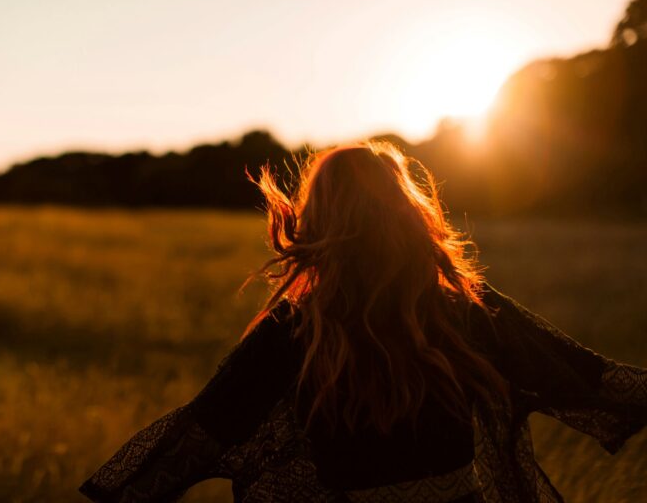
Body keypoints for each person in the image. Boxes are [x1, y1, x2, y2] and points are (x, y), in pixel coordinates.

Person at [79, 142, 646, 502]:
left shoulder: (293, 331)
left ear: (319, 220)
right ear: (405, 214)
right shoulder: (462, 309)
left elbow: (195, 437)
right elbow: (592, 378)